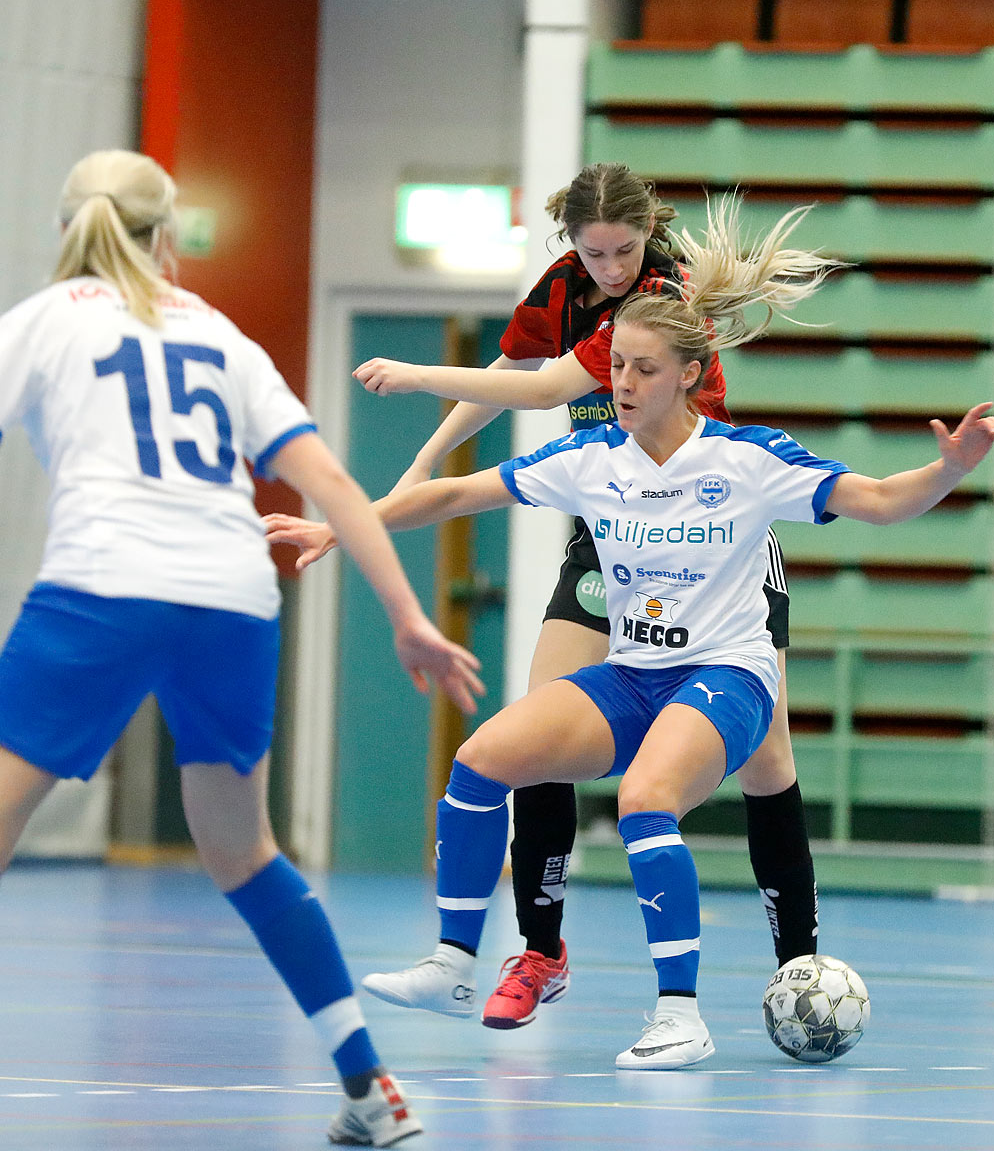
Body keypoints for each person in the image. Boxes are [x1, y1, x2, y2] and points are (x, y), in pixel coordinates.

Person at [0, 150, 481, 1147]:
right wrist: (409, 616)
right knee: (247, 854)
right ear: (166, 234)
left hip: (103, 586)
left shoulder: (44, 319)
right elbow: (334, 488)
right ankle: (370, 1088)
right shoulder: (220, 334)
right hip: (232, 598)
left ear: (68, 229)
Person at [346, 198, 994, 1068]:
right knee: (484, 758)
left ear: (689, 375)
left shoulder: (747, 461)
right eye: (615, 365)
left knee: (646, 799)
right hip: (633, 674)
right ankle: (455, 962)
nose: (619, 383)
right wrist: (340, 526)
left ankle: (679, 1015)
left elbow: (880, 501)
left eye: (642, 369)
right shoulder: (590, 463)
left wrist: (948, 469)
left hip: (727, 675)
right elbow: (454, 495)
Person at [266, 163, 824, 1031]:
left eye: (622, 251)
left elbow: (541, 389)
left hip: (712, 537)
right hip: (610, 530)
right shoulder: (566, 287)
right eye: (592, 251)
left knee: (768, 761)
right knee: (537, 730)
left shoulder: (663, 297)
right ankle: (539, 948)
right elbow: (509, 364)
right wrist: (419, 470)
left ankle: (799, 967)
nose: (608, 269)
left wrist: (420, 374)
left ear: (649, 237)